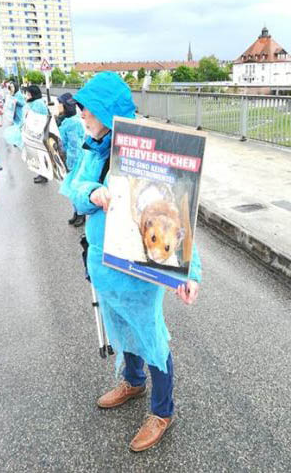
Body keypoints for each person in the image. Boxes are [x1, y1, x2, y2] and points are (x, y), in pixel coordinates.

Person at [60, 72, 201, 452]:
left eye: (89, 108)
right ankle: (133, 382)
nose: (82, 113)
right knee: (120, 329)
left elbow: (177, 211)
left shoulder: (146, 153)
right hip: (104, 267)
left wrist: (191, 272)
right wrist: (93, 191)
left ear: (107, 111)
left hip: (138, 272)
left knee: (150, 336)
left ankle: (162, 410)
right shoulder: (93, 147)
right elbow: (73, 190)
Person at [56, 92, 86, 226]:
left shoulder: (72, 123)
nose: (57, 106)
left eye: (60, 104)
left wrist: (70, 164)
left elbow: (75, 146)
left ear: (66, 106)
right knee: (72, 189)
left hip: (75, 161)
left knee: (75, 189)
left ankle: (81, 215)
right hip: (69, 159)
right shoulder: (65, 120)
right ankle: (76, 212)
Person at [24, 85, 50, 184]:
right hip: (39, 133)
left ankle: (43, 175)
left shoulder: (37, 104)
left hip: (39, 133)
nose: (26, 96)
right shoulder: (36, 103)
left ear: (32, 94)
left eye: (28, 94)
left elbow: (36, 119)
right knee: (39, 154)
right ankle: (41, 174)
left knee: (40, 154)